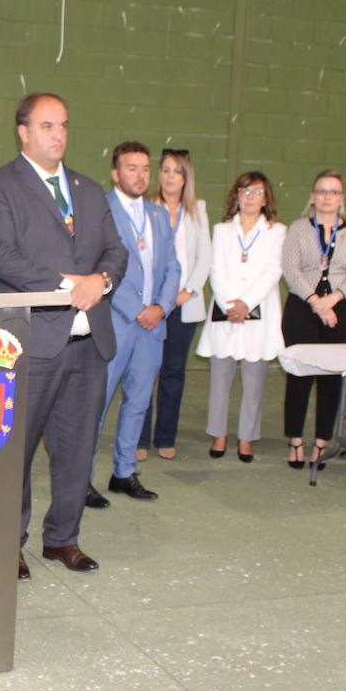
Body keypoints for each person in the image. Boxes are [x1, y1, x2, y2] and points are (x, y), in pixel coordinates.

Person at [0, 92, 128, 580]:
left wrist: (101, 282)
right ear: (23, 131)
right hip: (33, 342)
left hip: (90, 346)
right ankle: (8, 544)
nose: (57, 134)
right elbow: (4, 258)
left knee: (78, 448)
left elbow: (116, 251)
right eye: (46, 126)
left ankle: (63, 538)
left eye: (63, 125)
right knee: (16, 449)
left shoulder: (87, 189)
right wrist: (72, 286)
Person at [93, 141, 179, 502]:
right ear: (116, 173)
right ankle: (80, 479)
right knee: (95, 406)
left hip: (152, 326)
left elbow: (173, 267)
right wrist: (136, 310)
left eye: (146, 169)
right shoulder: (101, 211)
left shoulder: (158, 215)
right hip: (115, 322)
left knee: (139, 402)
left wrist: (160, 306)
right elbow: (95, 267)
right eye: (132, 168)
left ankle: (124, 472)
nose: (140, 175)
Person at [280, 170, 346, 468]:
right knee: (299, 375)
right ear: (313, 195)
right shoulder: (298, 228)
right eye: (321, 191)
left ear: (341, 198)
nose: (327, 197)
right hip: (302, 308)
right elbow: (290, 269)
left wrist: (333, 299)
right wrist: (317, 303)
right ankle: (295, 440)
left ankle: (320, 442)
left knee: (330, 380)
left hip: (340, 309)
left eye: (333, 192)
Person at [195, 171, 286, 462]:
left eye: (256, 192)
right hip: (226, 310)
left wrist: (246, 303)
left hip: (258, 311)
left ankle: (246, 438)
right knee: (220, 376)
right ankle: (218, 434)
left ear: (265, 198)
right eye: (244, 192)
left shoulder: (277, 231)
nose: (249, 198)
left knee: (254, 379)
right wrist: (228, 303)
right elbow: (215, 268)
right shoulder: (222, 230)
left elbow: (273, 271)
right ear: (236, 196)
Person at [137, 149, 211, 461]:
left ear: (186, 177)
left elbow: (205, 257)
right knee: (145, 371)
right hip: (153, 305)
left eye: (176, 171)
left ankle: (165, 437)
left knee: (174, 372)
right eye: (165, 170)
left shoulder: (197, 211)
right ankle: (139, 439)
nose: (170, 176)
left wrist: (188, 291)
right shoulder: (145, 207)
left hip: (185, 304)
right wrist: (161, 299)